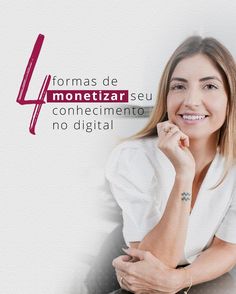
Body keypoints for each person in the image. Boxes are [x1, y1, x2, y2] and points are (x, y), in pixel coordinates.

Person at [105, 36, 236, 293]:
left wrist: (179, 280)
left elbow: (228, 247)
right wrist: (183, 174)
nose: (191, 101)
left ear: (230, 97)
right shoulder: (131, 158)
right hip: (133, 276)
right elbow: (154, 263)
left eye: (209, 86)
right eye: (178, 86)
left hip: (192, 273)